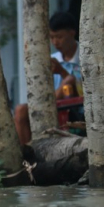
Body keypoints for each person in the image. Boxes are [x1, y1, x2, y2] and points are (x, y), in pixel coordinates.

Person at [14, 11, 82, 145]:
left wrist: (62, 72)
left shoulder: (85, 54)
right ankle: (27, 157)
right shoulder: (52, 59)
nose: (55, 42)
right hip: (54, 108)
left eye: (59, 37)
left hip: (78, 110)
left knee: (69, 80)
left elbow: (82, 90)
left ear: (72, 33)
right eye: (52, 37)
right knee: (20, 111)